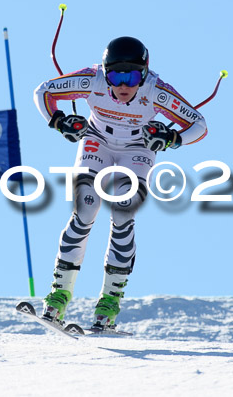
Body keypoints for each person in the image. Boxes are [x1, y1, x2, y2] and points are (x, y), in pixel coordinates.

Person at [32, 36, 208, 330]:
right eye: (115, 75)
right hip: (96, 142)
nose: (123, 85)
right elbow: (43, 92)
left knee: (123, 213)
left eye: (132, 76)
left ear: (145, 73)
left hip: (138, 150)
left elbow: (199, 125)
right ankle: (59, 294)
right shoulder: (92, 80)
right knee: (86, 210)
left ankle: (109, 301)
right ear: (105, 72)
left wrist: (172, 138)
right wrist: (59, 120)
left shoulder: (156, 91)